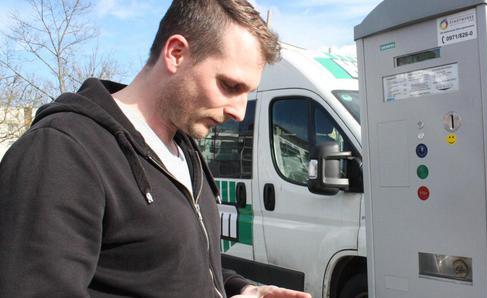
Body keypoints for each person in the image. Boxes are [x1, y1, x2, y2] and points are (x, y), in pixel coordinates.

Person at [0, 0, 311, 297]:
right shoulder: (63, 150)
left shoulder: (184, 151)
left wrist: (240, 288)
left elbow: (171, 262)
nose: (239, 113)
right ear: (175, 53)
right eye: (230, 86)